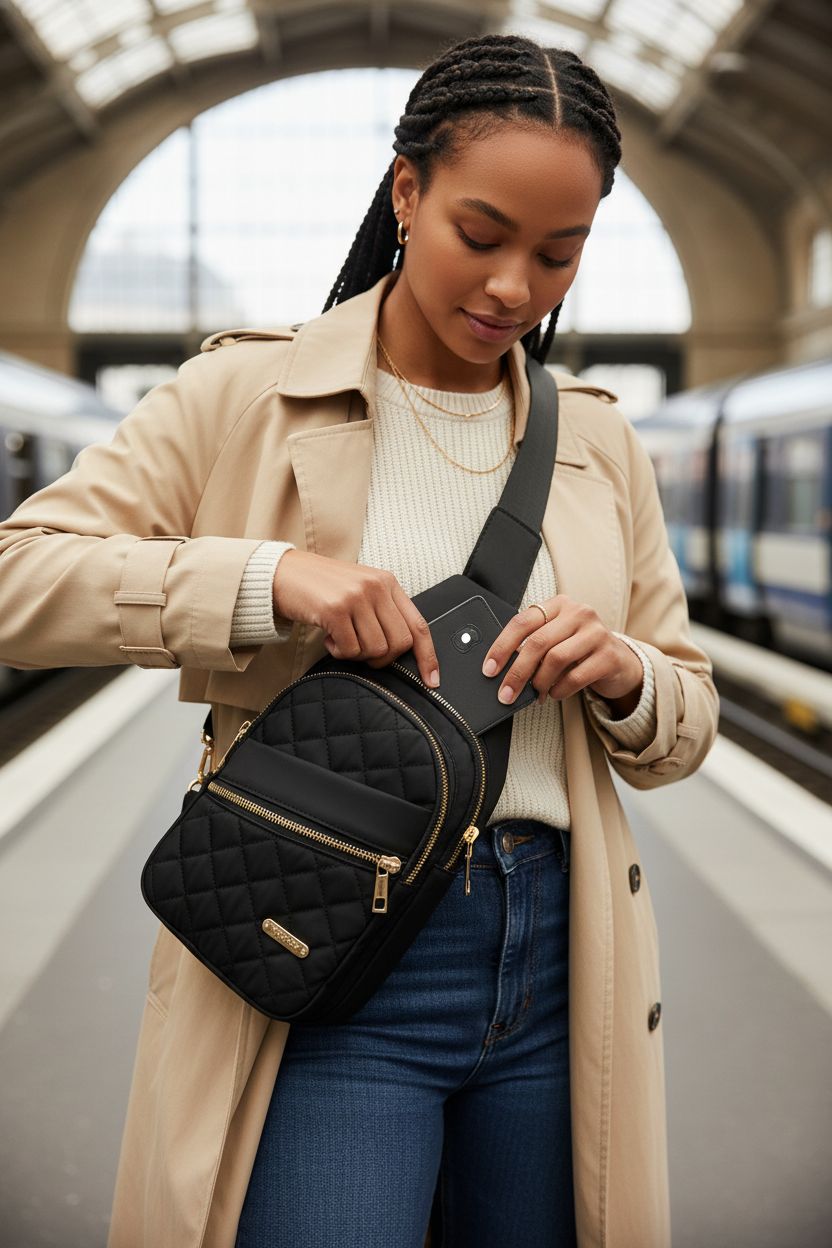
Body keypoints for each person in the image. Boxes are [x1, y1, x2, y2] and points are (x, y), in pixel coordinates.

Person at [0, 32, 718, 1248]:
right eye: (479, 237)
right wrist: (268, 579)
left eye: (560, 254)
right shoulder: (245, 394)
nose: (512, 290)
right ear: (405, 192)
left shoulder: (598, 442)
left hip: (562, 959)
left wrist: (628, 675)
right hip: (335, 943)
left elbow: (680, 719)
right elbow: (20, 576)